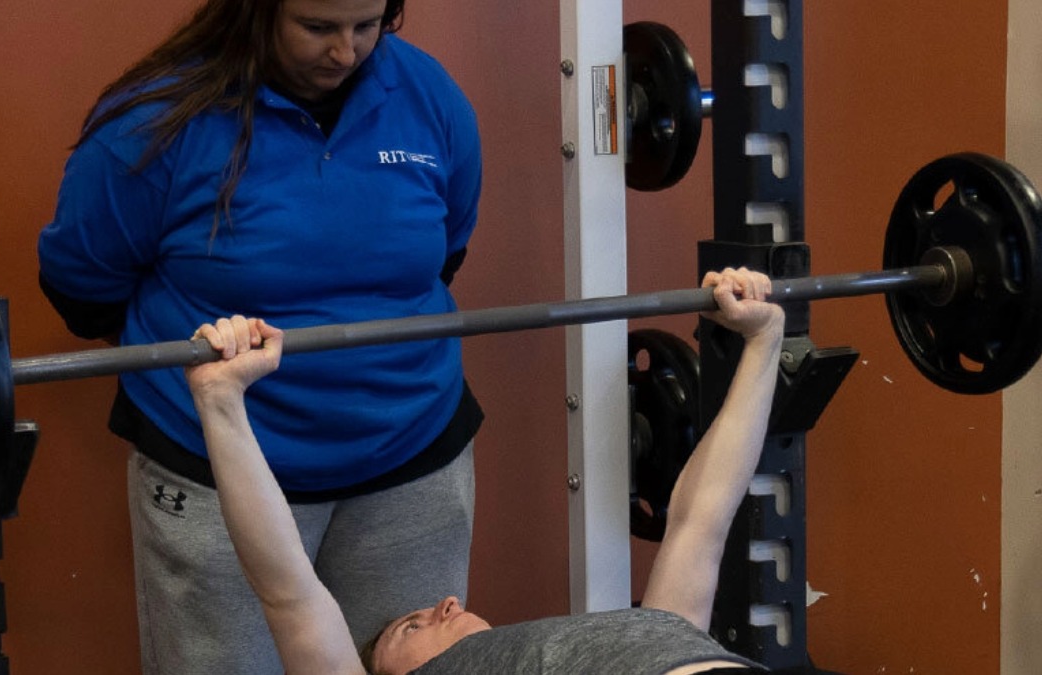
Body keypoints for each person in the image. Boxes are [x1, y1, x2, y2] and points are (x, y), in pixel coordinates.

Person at [35, 0, 483, 671]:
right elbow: (82, 289)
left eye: (367, 26)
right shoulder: (154, 122)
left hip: (410, 461)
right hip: (216, 470)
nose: (345, 52)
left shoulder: (429, 97)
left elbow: (445, 251)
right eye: (318, 28)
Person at [186, 267, 785, 675]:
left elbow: (700, 519)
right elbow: (287, 590)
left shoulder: (656, 630)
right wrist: (219, 401)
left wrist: (765, 337)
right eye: (411, 627)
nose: (445, 602)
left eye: (414, 616)